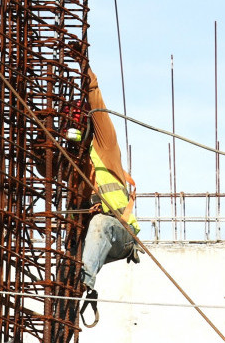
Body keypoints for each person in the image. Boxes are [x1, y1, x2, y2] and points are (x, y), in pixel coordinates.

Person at [78, 72, 141, 323]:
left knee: (101, 223)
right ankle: (75, 283)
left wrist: (87, 74)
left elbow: (98, 110)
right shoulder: (74, 169)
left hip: (121, 234)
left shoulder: (103, 148)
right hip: (94, 242)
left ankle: (85, 280)